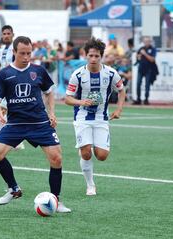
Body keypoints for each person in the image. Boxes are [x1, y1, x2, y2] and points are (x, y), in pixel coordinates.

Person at [0, 36, 71, 213]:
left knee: (56, 158)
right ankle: (13, 189)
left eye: (29, 53)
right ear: (14, 52)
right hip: (15, 123)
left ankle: (56, 200)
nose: (26, 57)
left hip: (39, 122)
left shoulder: (38, 70)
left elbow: (49, 92)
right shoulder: (4, 74)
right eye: (22, 53)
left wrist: (52, 113)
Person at [65, 37, 126, 196]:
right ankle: (90, 185)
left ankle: (85, 147)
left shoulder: (111, 73)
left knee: (102, 156)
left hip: (101, 118)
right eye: (90, 55)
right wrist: (81, 102)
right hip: (82, 118)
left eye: (96, 56)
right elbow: (67, 98)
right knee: (86, 152)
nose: (93, 59)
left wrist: (118, 110)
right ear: (85, 55)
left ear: (101, 56)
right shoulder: (77, 75)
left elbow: (121, 90)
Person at [133, 36, 157, 105]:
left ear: (150, 42)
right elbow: (137, 57)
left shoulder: (153, 49)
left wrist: (145, 54)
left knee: (147, 85)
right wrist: (138, 57)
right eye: (145, 41)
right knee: (138, 84)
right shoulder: (141, 49)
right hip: (141, 69)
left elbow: (152, 59)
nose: (146, 43)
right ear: (143, 42)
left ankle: (146, 99)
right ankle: (138, 99)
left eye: (148, 41)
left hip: (148, 69)